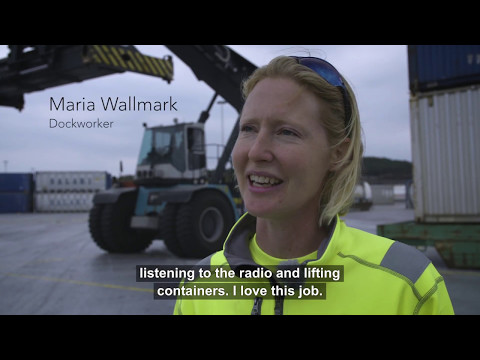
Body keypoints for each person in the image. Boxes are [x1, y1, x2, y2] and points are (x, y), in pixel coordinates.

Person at [173, 55, 455, 315]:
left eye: (286, 132)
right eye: (248, 128)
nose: (256, 151)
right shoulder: (200, 286)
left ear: (338, 153)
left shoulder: (407, 285)